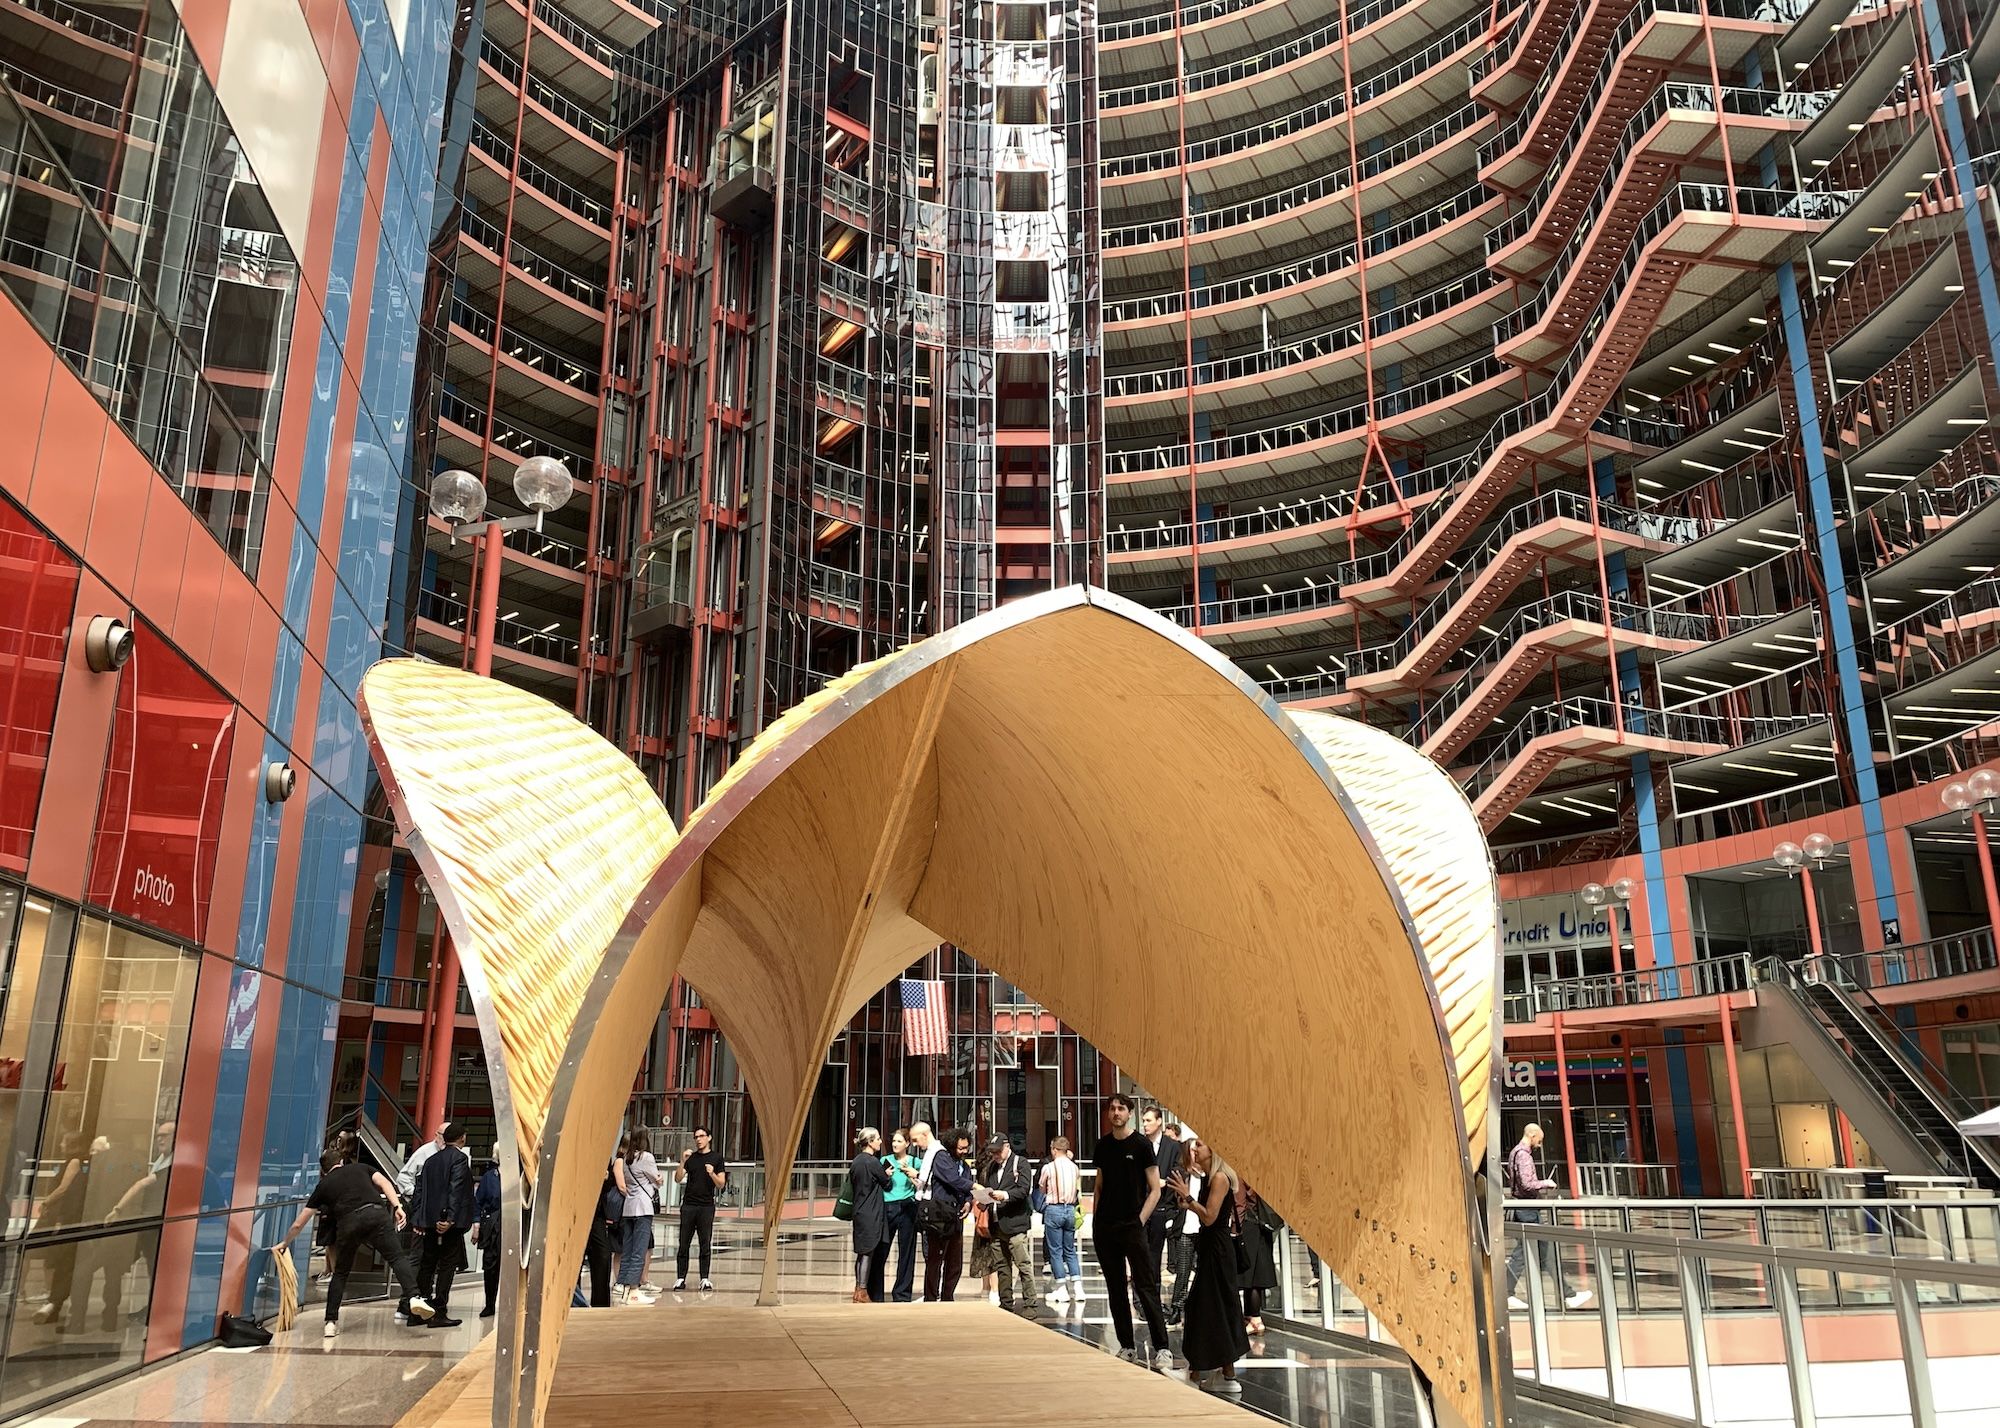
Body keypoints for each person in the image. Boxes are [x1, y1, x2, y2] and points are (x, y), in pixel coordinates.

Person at [275, 1149, 433, 1336]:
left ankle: (330, 1323)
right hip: (376, 1215)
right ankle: (414, 1296)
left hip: (348, 1223)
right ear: (341, 1161)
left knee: (340, 1273)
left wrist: (284, 1243)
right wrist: (397, 1206)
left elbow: (299, 1222)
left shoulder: (323, 1185)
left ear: (323, 1170)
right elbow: (384, 1183)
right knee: (397, 1258)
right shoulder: (361, 1168)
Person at [1090, 1092, 1173, 1368]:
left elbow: (1155, 1189)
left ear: (1129, 1113)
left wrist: (1139, 1221)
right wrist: (1096, 1222)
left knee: (1146, 1285)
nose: (1116, 1113)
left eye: (1121, 1108)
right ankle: (1127, 1346)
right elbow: (1099, 1185)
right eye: (1112, 1108)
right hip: (1106, 1227)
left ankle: (1162, 1347)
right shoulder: (1102, 1146)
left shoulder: (1141, 1145)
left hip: (1132, 1226)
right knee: (1115, 1288)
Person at [1166, 1138, 1248, 1395]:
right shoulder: (1212, 1178)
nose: (1195, 1148)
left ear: (1213, 1150)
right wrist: (1187, 1201)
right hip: (1214, 1248)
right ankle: (1226, 1373)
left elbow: (1210, 1217)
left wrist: (1188, 1197)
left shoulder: (1220, 1178)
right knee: (1217, 1308)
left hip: (1217, 1249)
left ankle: (1198, 1372)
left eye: (1200, 1145)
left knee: (1206, 1307)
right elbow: (1204, 1211)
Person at [1504, 1124, 1591, 1309]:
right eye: (1539, 1140)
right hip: (1528, 1210)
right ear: (1532, 1135)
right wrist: (1546, 1183)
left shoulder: (1514, 1153)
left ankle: (1509, 1292)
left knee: (1528, 1254)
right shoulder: (1523, 1155)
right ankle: (1567, 1295)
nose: (1539, 1144)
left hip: (1523, 1209)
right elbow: (1527, 1184)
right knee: (1541, 1253)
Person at [412, 1121, 476, 1327]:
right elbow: (455, 1189)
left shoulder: (431, 1160)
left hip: (429, 1221)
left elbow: (420, 1189)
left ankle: (419, 1309)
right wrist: (450, 1218)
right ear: (462, 1138)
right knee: (447, 1265)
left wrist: (419, 1218)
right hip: (449, 1223)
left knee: (427, 1264)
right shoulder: (459, 1159)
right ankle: (439, 1311)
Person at [971, 1134, 1037, 1312]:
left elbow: (1023, 1189)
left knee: (1022, 1264)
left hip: (1015, 1224)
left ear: (1007, 1147)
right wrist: (983, 1199)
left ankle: (1030, 1303)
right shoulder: (992, 1166)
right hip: (996, 1224)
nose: (995, 1155)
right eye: (992, 1152)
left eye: (998, 1151)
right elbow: (989, 1189)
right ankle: (1006, 1303)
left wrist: (1005, 1195)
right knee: (1001, 1267)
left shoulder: (1020, 1163)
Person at [30, 1133, 89, 1327]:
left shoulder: (74, 1162)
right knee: (54, 1258)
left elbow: (64, 1188)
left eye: (64, 1141)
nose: (61, 1144)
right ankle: (52, 1299)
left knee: (58, 1258)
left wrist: (46, 1201)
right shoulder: (73, 1162)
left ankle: (53, 1299)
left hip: (64, 1217)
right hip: (63, 1216)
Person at [915, 1124, 973, 1302]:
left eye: (966, 1148)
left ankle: (948, 1295)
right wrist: (975, 1186)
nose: (964, 1151)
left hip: (956, 1216)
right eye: (960, 1148)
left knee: (955, 1261)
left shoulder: (965, 1166)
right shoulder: (942, 1158)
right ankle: (931, 1297)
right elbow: (954, 1180)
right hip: (939, 1216)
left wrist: (969, 1201)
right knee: (935, 1260)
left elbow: (966, 1186)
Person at [395, 1125, 445, 1323]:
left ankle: (424, 1298)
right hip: (421, 1214)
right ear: (436, 1135)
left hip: (434, 1217)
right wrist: (418, 1197)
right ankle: (405, 1301)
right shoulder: (424, 1153)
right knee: (416, 1258)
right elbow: (403, 1178)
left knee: (430, 1260)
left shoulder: (449, 1155)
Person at [673, 1125, 727, 1292]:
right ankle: (681, 1278)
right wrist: (682, 1161)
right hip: (689, 1205)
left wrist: (712, 1173)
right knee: (684, 1243)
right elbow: (677, 1178)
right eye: (696, 1137)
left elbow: (721, 1184)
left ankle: (704, 1278)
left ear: (709, 1138)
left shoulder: (717, 1158)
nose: (698, 1139)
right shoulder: (691, 1158)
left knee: (705, 1243)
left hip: (706, 1206)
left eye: (702, 1136)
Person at [614, 1129, 662, 1305]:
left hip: (628, 1208)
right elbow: (656, 1179)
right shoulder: (646, 1157)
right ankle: (634, 1289)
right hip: (643, 1208)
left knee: (627, 1249)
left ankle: (625, 1287)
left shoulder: (625, 1159)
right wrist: (659, 1181)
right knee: (639, 1250)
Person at [848, 1127, 893, 1303]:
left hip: (859, 1211)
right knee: (868, 1252)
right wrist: (887, 1174)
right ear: (870, 1141)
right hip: (871, 1212)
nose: (881, 1142)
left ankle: (858, 1288)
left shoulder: (856, 1162)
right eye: (878, 1139)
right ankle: (863, 1291)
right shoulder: (872, 1162)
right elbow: (887, 1185)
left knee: (861, 1252)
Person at [1141, 1107, 1183, 1295]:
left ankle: (1153, 1296)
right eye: (1143, 1120)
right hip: (1141, 1207)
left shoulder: (1172, 1147)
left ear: (1159, 1122)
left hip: (1161, 1207)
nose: (1145, 1124)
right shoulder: (1139, 1144)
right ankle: (1139, 1298)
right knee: (1140, 1254)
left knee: (1155, 1254)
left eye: (1149, 1120)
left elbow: (1180, 1170)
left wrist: (1166, 1181)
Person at [1038, 1136, 1083, 1306]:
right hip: (1070, 1210)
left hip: (1054, 1209)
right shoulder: (1074, 1168)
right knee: (1070, 1250)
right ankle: (1078, 1288)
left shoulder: (1049, 1168)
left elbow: (1042, 1188)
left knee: (1055, 1251)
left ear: (1054, 1149)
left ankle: (1061, 1288)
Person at [881, 1128, 921, 1303]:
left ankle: (902, 1294)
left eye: (899, 1141)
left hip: (908, 1207)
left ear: (907, 1144)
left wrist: (913, 1175)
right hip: (888, 1207)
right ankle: (876, 1291)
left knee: (907, 1252)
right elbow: (881, 1184)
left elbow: (922, 1184)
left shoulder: (915, 1162)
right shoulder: (884, 1161)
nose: (895, 1144)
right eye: (894, 1141)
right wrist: (886, 1175)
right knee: (882, 1249)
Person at [1235, 1181, 1280, 1335]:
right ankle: (1252, 1317)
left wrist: (1235, 1229)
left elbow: (1239, 1203)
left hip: (1248, 1226)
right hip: (1262, 1226)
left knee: (1249, 1276)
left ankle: (1254, 1319)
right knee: (1256, 1276)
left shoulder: (1241, 1174)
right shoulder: (1263, 1175)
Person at [473, 1148, 502, 1318]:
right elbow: (478, 1202)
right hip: (492, 1226)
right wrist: (476, 1225)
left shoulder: (521, 1175)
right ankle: (489, 1303)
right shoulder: (489, 1177)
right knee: (490, 1266)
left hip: (513, 1223)